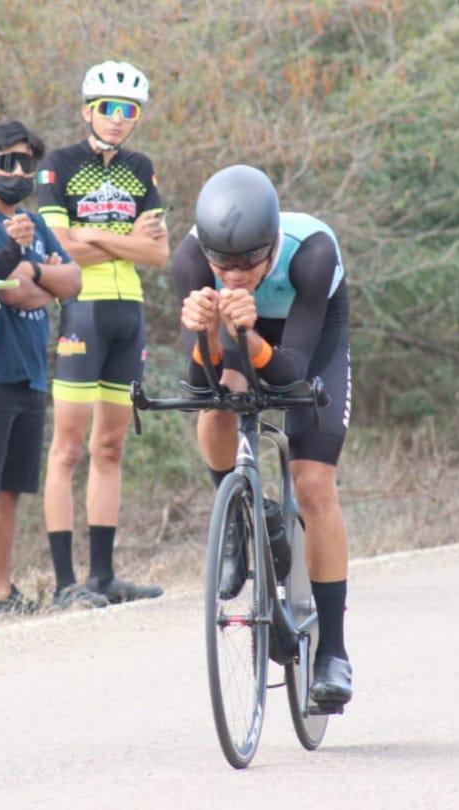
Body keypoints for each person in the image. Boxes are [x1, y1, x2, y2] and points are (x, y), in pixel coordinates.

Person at [173, 164, 354, 706]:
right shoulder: (189, 261)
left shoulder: (312, 251)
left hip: (307, 340)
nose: (235, 273)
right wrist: (204, 335)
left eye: (250, 260)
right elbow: (198, 380)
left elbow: (294, 370)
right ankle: (238, 518)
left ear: (272, 244)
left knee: (315, 483)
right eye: (221, 262)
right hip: (239, 335)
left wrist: (249, 335)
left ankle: (333, 654)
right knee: (216, 405)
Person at [36, 61, 171, 608]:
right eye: (108, 109)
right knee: (67, 449)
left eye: (129, 111)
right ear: (87, 110)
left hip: (127, 311)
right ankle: (66, 583)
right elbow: (59, 246)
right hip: (81, 310)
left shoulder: (143, 168)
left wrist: (91, 234)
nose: (118, 119)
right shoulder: (59, 165)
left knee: (110, 446)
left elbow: (159, 253)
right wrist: (121, 236)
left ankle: (103, 578)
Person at [0, 121, 81, 619]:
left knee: (10, 489)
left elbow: (72, 280)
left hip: (30, 372)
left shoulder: (36, 222)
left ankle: (2, 591)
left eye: (28, 163)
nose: (19, 171)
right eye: (8, 162)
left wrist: (36, 270)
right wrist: (31, 277)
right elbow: (12, 290)